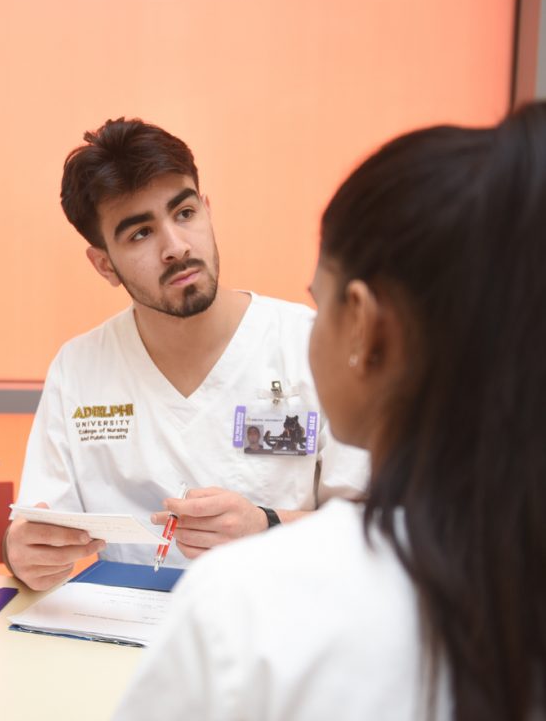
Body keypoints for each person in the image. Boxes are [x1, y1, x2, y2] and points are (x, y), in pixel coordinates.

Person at [115, 104, 546, 720]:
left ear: (363, 326)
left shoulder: (245, 605)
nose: (174, 245)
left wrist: (265, 527)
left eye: (319, 299)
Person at [5, 118, 368, 589]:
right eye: (140, 234)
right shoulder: (78, 367)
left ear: (208, 211)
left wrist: (268, 526)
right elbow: (40, 527)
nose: (175, 247)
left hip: (285, 623)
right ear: (103, 265)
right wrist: (21, 553)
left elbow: (375, 529)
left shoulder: (311, 342)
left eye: (184, 213)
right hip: (125, 636)